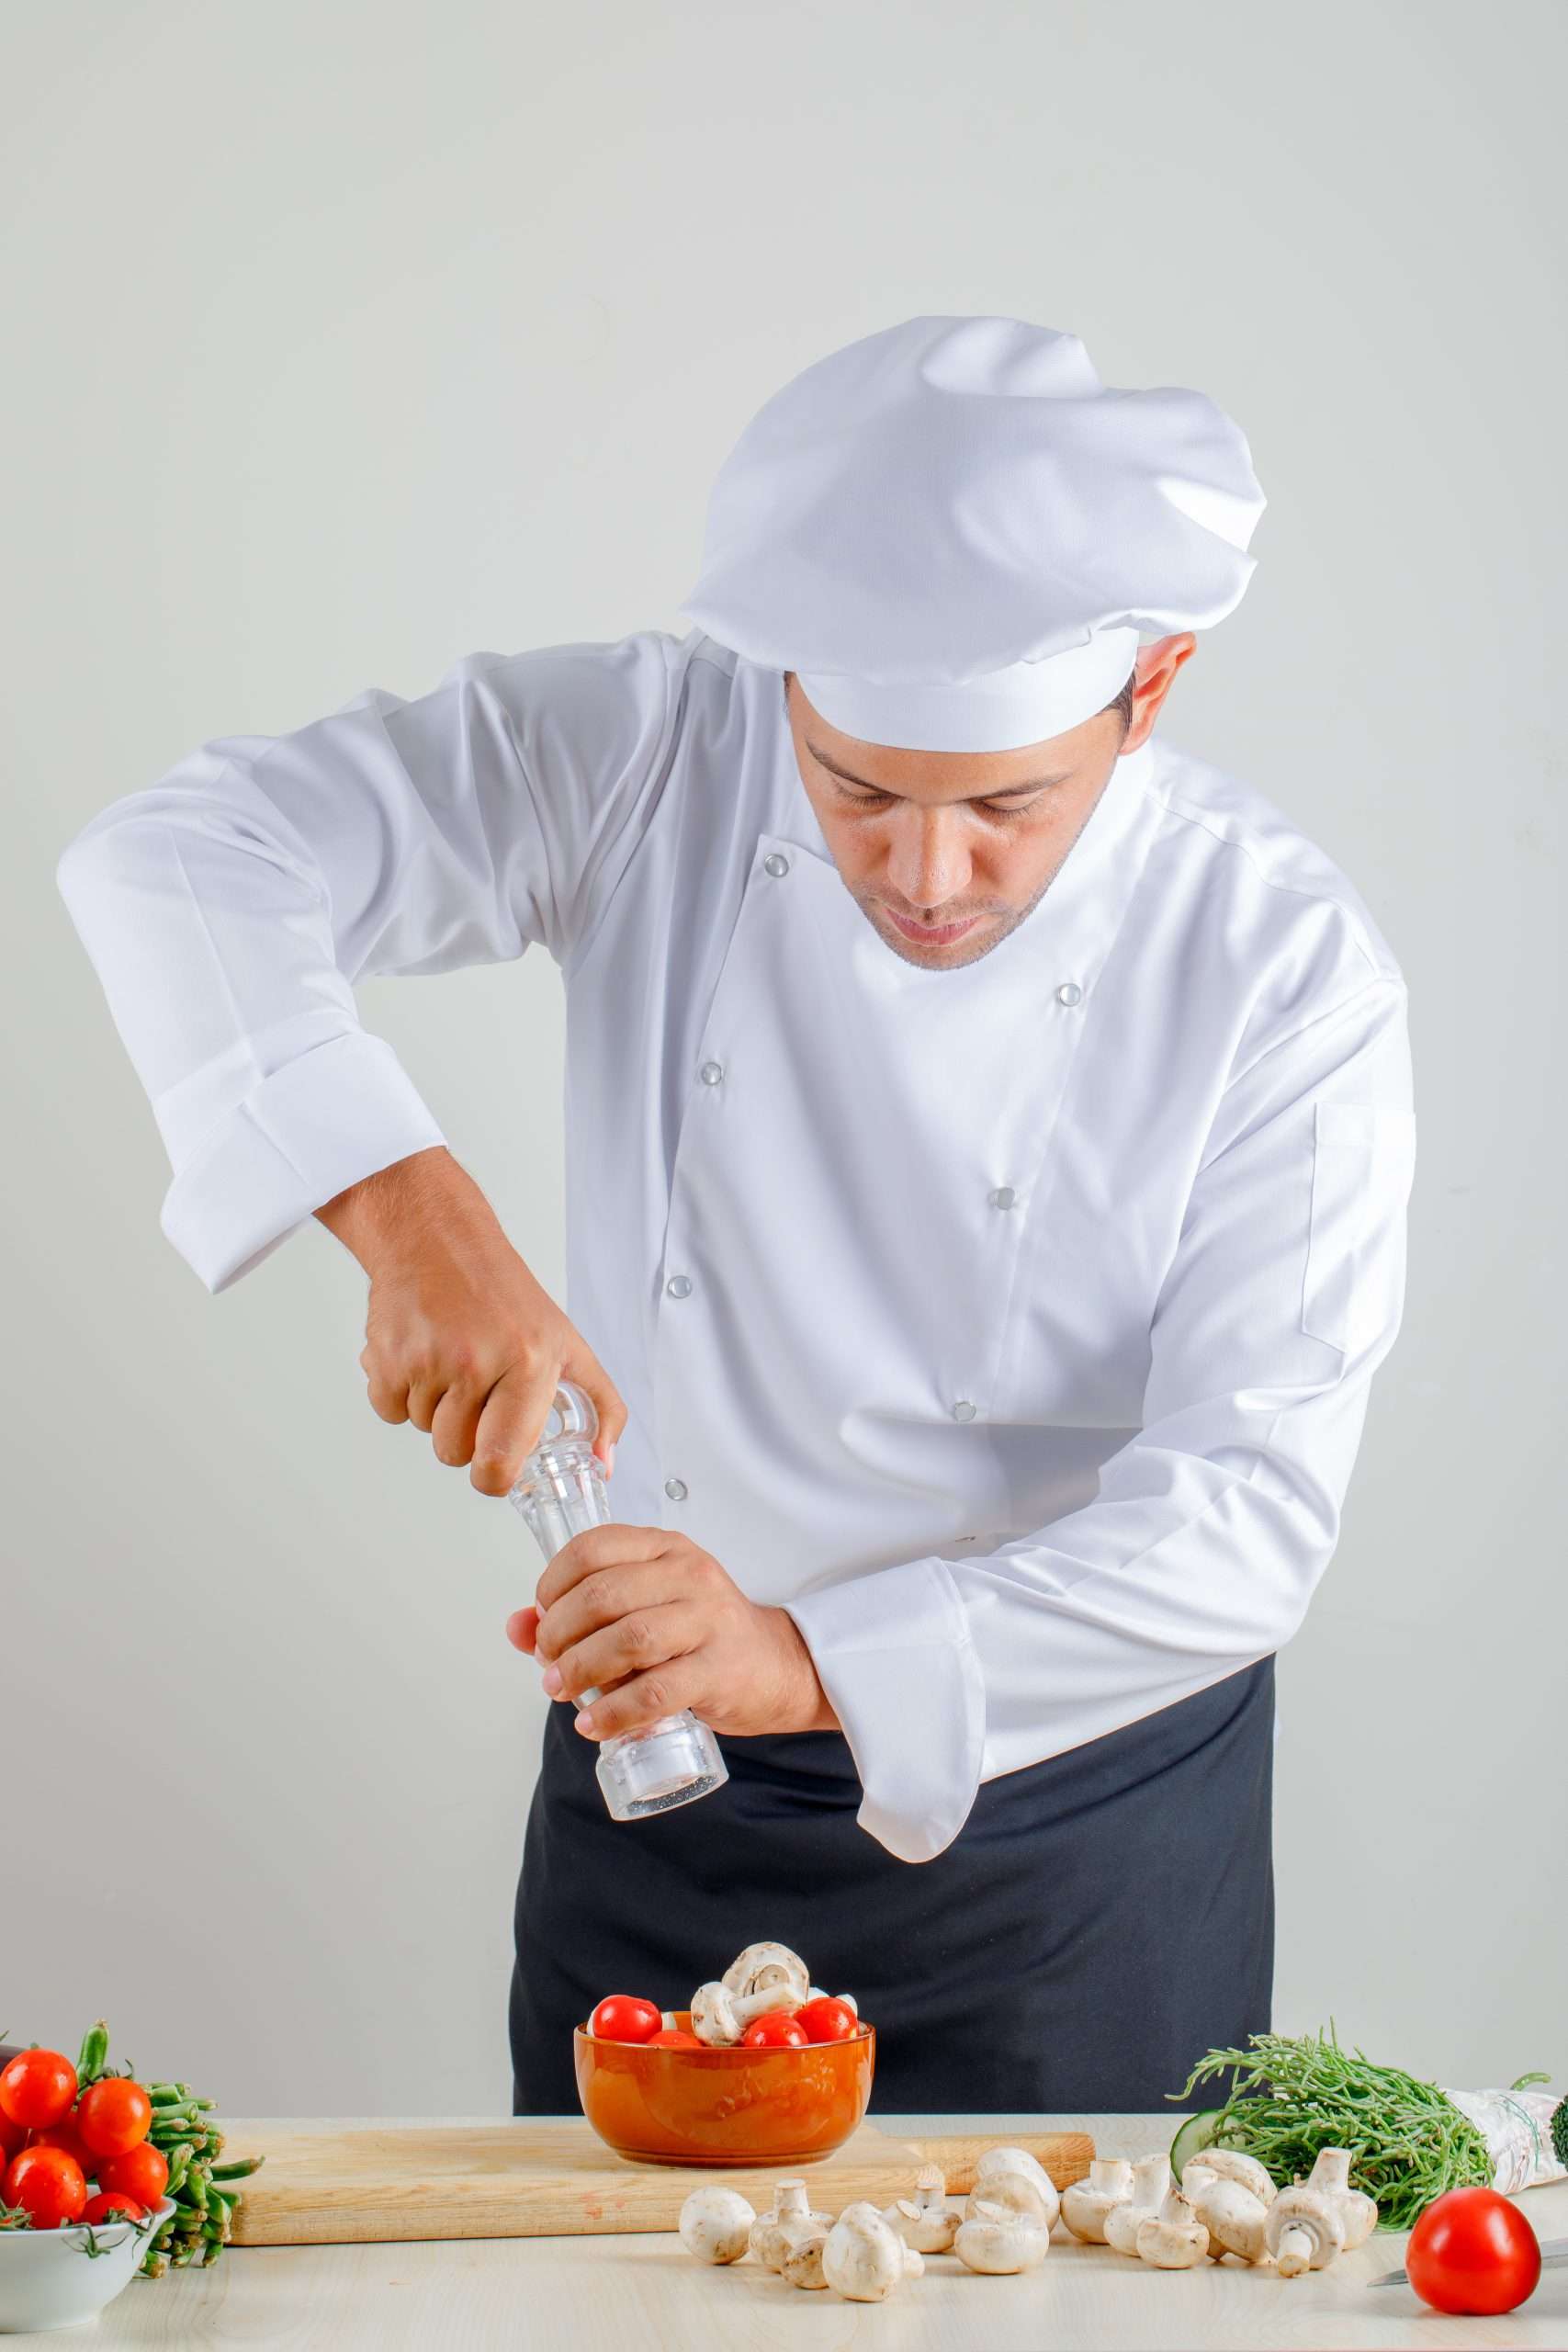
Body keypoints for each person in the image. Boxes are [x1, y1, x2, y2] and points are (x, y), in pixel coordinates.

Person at [57, 315, 1415, 2114]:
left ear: (1145, 695)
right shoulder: (649, 748)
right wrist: (401, 1203)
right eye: (855, 790)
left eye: (1004, 804)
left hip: (1073, 1840)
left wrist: (793, 1654)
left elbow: (1245, 1517)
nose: (925, 877)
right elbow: (179, 853)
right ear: (778, 687)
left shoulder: (1280, 965)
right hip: (663, 1790)